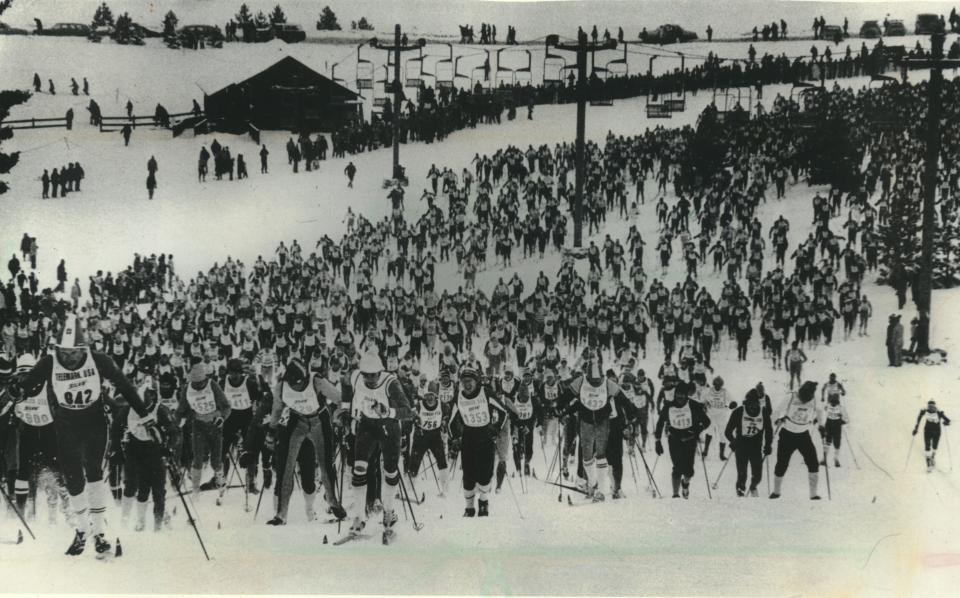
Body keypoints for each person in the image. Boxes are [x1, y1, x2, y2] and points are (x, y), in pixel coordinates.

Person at [14, 314, 156, 556]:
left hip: (94, 422)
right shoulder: (49, 362)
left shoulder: (99, 360)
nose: (69, 358)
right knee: (72, 477)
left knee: (93, 472)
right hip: (66, 423)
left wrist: (145, 415)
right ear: (57, 349)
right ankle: (82, 530)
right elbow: (29, 384)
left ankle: (99, 533)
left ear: (84, 349)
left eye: (74, 353)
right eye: (64, 353)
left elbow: (124, 385)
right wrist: (17, 389)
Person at [338, 351, 413, 541]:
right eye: (366, 375)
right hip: (366, 425)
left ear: (380, 372)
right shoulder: (356, 376)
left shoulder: (391, 382)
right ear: (361, 373)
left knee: (389, 470)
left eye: (374, 375)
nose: (370, 379)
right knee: (359, 469)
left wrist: (388, 410)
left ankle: (388, 512)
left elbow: (407, 412)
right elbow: (346, 384)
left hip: (388, 426)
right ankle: (359, 516)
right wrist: (346, 410)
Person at [266, 357, 346, 525]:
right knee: (286, 467)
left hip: (319, 420)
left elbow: (339, 399)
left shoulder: (316, 380)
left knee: (325, 464)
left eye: (300, 383)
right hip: (298, 421)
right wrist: (272, 431)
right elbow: (277, 410)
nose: (297, 387)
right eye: (294, 384)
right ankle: (281, 514)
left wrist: (339, 416)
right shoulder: (281, 387)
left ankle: (333, 502)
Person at [113, 380, 180, 531]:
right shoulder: (127, 410)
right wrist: (116, 448)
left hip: (154, 451)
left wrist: (169, 447)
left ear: (150, 396)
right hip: (134, 450)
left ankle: (158, 524)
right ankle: (136, 520)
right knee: (136, 486)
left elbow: (174, 432)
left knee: (158, 489)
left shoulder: (160, 410)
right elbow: (115, 429)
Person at [448, 365, 505, 516]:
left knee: (485, 473)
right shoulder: (458, 396)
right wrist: (454, 438)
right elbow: (450, 421)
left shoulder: (486, 392)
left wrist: (496, 428)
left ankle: (484, 502)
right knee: (468, 473)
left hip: (485, 435)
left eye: (470, 381)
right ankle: (469, 508)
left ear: (476, 381)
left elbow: (503, 412)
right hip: (468, 435)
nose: (467, 384)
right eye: (464, 381)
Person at [177, 362, 230, 499]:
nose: (198, 385)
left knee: (215, 461)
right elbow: (181, 410)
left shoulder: (212, 385)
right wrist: (176, 423)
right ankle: (195, 489)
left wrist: (222, 418)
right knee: (197, 458)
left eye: (201, 383)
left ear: (205, 379)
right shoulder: (187, 388)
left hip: (214, 424)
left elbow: (226, 406)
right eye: (195, 383)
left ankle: (220, 480)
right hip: (198, 424)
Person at [654, 380, 710, 498]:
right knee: (677, 468)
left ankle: (685, 484)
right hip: (675, 439)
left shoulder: (694, 405)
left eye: (682, 395)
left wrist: (697, 430)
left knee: (689, 470)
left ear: (686, 395)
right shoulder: (669, 406)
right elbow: (659, 424)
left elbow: (706, 421)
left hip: (690, 439)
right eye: (677, 394)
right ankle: (675, 495)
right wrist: (657, 441)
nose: (679, 397)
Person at [770, 381, 824, 500]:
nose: (805, 400)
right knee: (782, 464)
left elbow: (820, 411)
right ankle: (776, 492)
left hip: (803, 435)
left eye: (808, 398)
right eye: (803, 397)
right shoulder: (791, 396)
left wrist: (821, 425)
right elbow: (777, 410)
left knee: (813, 463)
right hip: (787, 434)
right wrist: (771, 423)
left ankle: (813, 494)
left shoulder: (814, 399)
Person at [724, 388, 772, 496]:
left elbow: (769, 430)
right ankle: (740, 490)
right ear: (746, 402)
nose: (753, 406)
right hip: (741, 446)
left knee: (758, 476)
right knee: (742, 474)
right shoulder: (739, 411)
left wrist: (768, 445)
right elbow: (727, 431)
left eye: (755, 403)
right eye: (750, 403)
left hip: (756, 447)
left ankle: (753, 486)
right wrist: (733, 441)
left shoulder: (763, 412)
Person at [913, 400, 951, 471]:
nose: (931, 408)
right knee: (927, 446)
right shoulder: (924, 410)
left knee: (934, 446)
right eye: (929, 406)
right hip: (927, 431)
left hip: (937, 432)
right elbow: (918, 419)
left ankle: (932, 457)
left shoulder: (939, 412)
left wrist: (946, 423)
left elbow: (948, 421)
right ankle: (928, 464)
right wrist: (916, 429)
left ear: (935, 407)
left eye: (932, 407)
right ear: (927, 406)